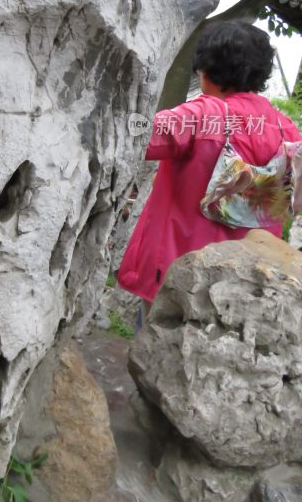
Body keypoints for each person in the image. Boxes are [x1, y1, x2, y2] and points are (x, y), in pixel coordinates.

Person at [118, 20, 301, 314]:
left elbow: (131, 135)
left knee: (158, 348)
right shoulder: (286, 129)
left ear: (208, 69)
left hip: (178, 272)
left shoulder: (202, 115)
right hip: (247, 279)